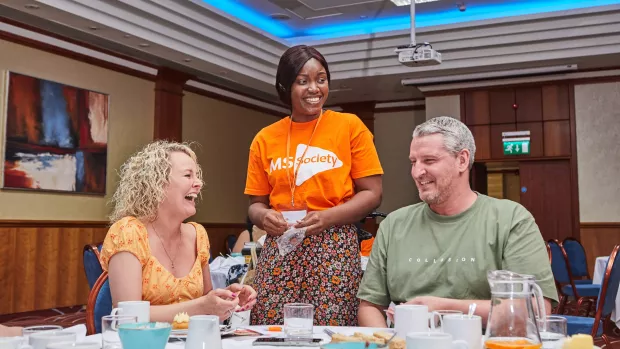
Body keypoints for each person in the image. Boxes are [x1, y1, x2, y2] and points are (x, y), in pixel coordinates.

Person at [357, 116, 558, 327]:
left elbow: (536, 309)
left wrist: (441, 307)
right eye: (413, 162)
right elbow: (370, 306)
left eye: (429, 161)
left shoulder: (511, 220)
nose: (417, 172)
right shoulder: (394, 225)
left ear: (462, 160)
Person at [245, 45, 383, 326]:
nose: (314, 88)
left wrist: (327, 218)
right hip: (280, 247)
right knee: (272, 329)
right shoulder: (265, 137)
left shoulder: (349, 126)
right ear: (285, 86)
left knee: (332, 329)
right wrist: (264, 217)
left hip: (334, 245)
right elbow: (255, 205)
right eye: (303, 81)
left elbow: (373, 193)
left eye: (321, 79)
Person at [100, 141, 257, 322]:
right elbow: (127, 317)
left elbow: (207, 305)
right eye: (188, 175)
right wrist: (200, 306)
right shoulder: (128, 233)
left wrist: (226, 300)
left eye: (197, 176)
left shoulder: (198, 235)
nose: (199, 184)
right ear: (157, 183)